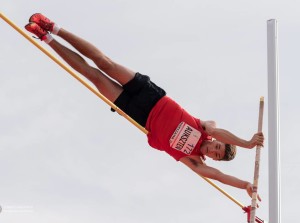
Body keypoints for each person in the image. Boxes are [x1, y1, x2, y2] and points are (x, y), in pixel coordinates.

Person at [25, 13, 264, 200]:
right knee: (104, 63)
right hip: (152, 96)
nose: (213, 150)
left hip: (139, 114)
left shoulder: (193, 160)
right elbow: (214, 131)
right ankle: (53, 26)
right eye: (218, 147)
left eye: (217, 155)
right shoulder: (207, 129)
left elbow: (218, 176)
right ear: (217, 142)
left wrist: (244, 185)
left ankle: (45, 37)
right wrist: (246, 143)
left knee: (94, 75)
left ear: (214, 158)